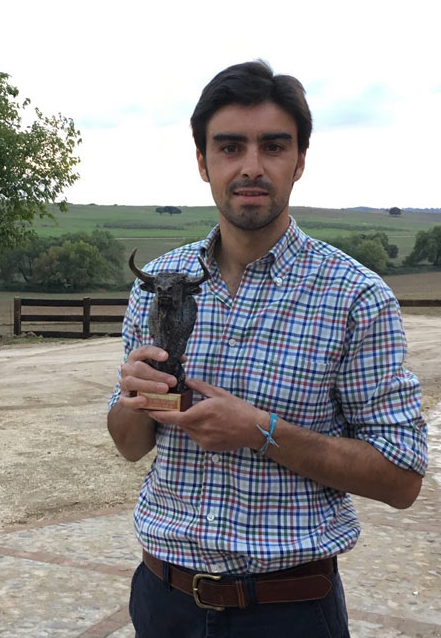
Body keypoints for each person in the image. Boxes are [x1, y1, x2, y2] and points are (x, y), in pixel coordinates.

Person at [107, 61, 428, 638]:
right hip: (162, 601)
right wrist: (132, 399)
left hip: (289, 611)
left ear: (299, 160)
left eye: (273, 146)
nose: (251, 167)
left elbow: (401, 478)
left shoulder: (357, 297)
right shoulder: (156, 281)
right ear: (203, 161)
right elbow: (129, 445)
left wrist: (260, 430)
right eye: (230, 147)